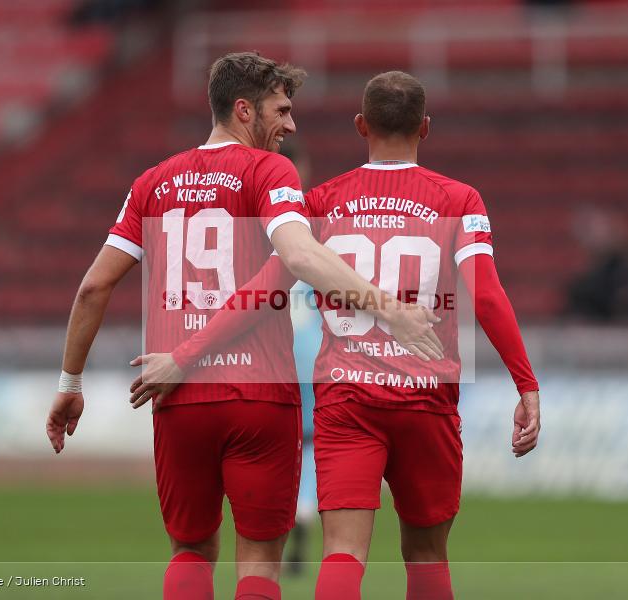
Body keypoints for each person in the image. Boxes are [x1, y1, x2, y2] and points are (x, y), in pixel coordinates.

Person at [46, 53, 441, 600]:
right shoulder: (269, 171)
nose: (292, 123)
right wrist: (390, 308)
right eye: (281, 109)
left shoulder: (152, 183)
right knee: (259, 558)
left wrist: (70, 383)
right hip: (259, 396)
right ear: (243, 110)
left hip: (177, 396)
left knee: (190, 551)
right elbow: (298, 257)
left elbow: (92, 287)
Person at [143, 71, 542, 599]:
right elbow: (487, 297)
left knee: (342, 556)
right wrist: (526, 384)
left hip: (348, 399)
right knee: (426, 557)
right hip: (426, 400)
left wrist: (186, 354)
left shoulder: (321, 202)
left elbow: (261, 292)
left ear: (361, 126)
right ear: (425, 127)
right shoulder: (460, 200)